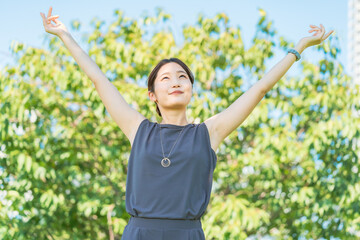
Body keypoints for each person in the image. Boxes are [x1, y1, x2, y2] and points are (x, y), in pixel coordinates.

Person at [40, 6, 334, 240]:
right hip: (139, 233)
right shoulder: (138, 128)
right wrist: (65, 36)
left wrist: (299, 49)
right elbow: (98, 79)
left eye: (183, 76)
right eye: (165, 78)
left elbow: (258, 90)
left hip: (188, 233)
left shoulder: (209, 132)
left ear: (191, 89)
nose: (176, 82)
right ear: (152, 94)